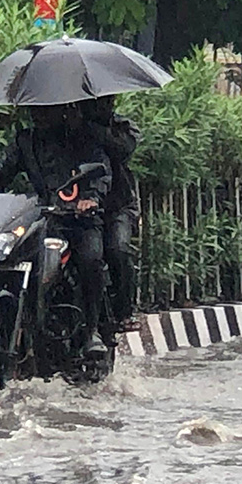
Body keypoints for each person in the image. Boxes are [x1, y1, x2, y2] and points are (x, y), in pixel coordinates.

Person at [0, 103, 113, 357]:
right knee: (13, 254)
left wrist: (91, 199)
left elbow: (100, 171)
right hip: (42, 219)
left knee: (90, 259)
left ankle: (91, 330)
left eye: (45, 109)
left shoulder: (82, 137)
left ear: (61, 109)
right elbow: (1, 171)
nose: (39, 114)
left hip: (78, 219)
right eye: (34, 109)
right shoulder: (26, 140)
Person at [83, 96, 139, 331]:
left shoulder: (123, 127)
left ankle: (124, 310)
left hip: (117, 205)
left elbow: (122, 150)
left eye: (105, 100)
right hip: (79, 208)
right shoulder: (65, 130)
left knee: (118, 249)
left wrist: (90, 128)